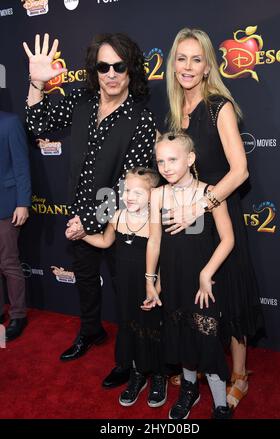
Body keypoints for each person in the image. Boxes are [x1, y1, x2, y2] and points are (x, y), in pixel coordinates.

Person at [23, 33, 156, 388]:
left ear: (131, 71)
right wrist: (37, 83)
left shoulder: (140, 119)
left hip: (118, 222)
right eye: (103, 66)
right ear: (94, 70)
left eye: (119, 66)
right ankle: (91, 331)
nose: (111, 74)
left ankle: (128, 360)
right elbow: (38, 124)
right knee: (85, 282)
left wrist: (91, 222)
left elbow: (130, 185)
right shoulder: (81, 101)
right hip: (78, 217)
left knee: (125, 290)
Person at [162, 28, 264, 408]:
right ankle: (202, 360)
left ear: (207, 67)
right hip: (190, 222)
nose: (188, 67)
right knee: (198, 294)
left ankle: (239, 374)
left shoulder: (218, 107)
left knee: (231, 292)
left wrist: (200, 203)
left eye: (196, 59)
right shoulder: (175, 111)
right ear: (173, 65)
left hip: (219, 214)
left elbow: (240, 171)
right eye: (181, 58)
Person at [146, 132, 234, 419]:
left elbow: (228, 239)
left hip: (203, 284)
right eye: (160, 161)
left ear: (191, 158)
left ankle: (220, 403)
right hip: (173, 280)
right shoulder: (157, 194)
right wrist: (152, 280)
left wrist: (207, 273)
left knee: (207, 338)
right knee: (181, 335)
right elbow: (155, 241)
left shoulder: (210, 193)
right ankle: (189, 390)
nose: (166, 167)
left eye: (172, 159)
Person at [68, 167, 167, 408]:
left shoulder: (157, 220)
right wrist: (80, 235)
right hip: (124, 286)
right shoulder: (118, 217)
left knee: (151, 329)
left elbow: (164, 257)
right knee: (129, 327)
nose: (129, 196)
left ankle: (158, 375)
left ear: (153, 194)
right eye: (127, 191)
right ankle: (136, 373)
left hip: (149, 287)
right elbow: (104, 241)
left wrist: (156, 286)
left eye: (137, 192)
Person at [0, 110, 31, 341]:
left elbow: (21, 166)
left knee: (9, 262)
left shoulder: (9, 123)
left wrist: (23, 203)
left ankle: (18, 315)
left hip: (7, 204)